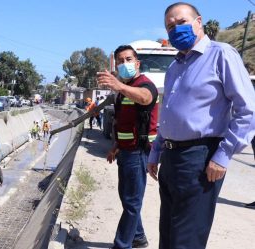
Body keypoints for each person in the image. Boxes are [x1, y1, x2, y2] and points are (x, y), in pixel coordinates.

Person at [146, 3, 255, 249]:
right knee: (169, 233)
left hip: (200, 157)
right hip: (172, 157)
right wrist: (156, 151)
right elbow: (168, 114)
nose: (176, 29)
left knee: (187, 238)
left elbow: (248, 109)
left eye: (181, 22)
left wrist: (223, 155)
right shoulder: (175, 66)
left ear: (198, 21)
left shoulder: (221, 54)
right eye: (170, 26)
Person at [96, 44, 159, 249]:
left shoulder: (144, 85)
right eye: (120, 61)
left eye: (128, 59)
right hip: (125, 151)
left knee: (132, 202)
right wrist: (115, 146)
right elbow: (123, 122)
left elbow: (146, 98)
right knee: (127, 198)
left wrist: (119, 86)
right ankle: (138, 236)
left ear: (137, 62)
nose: (125, 64)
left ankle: (122, 245)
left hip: (138, 152)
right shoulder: (124, 90)